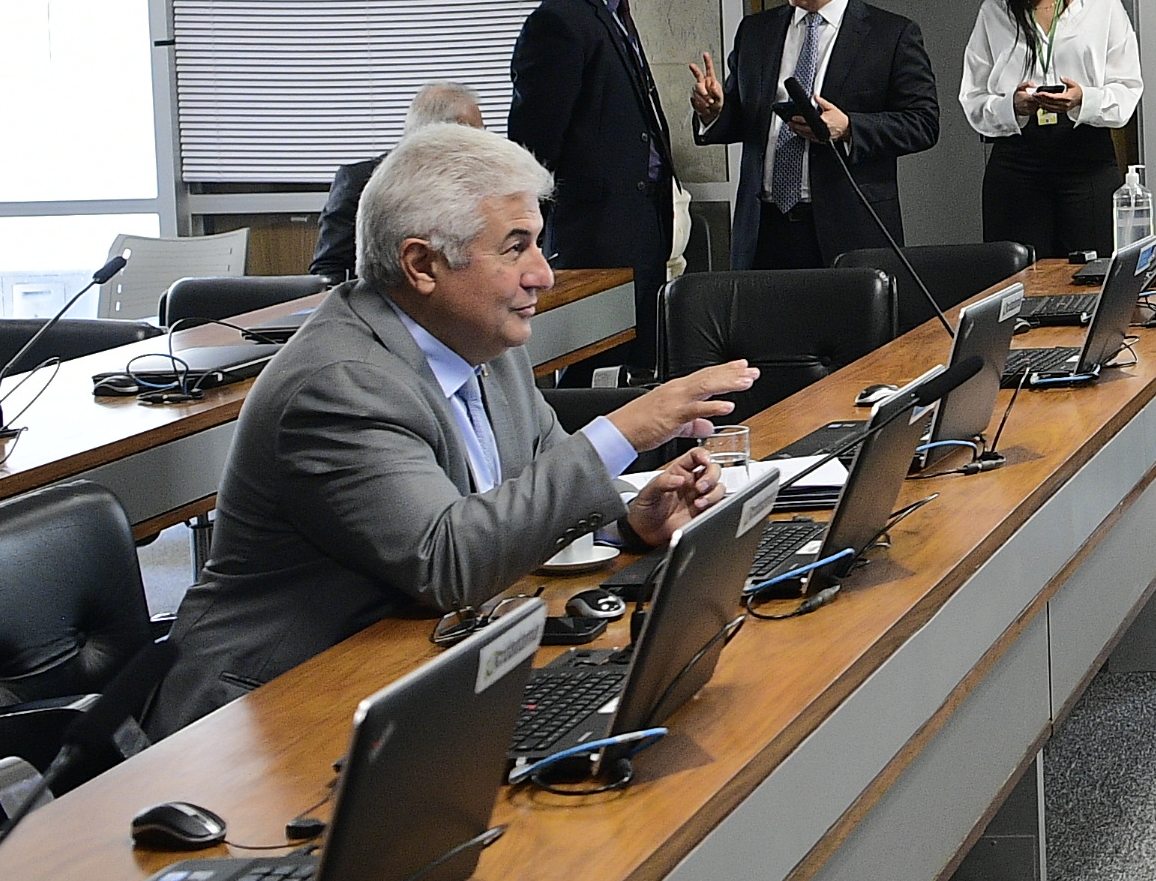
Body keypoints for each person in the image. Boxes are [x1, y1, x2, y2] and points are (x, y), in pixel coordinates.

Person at [149, 125, 754, 734]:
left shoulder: (484, 342)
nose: (543, 275)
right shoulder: (340, 384)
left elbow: (537, 478)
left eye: (538, 245)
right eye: (515, 248)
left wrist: (628, 517)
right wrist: (623, 431)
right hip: (264, 713)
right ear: (421, 264)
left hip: (406, 671)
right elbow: (448, 561)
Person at [688, 0, 941, 271]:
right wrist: (714, 112)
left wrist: (850, 127)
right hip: (764, 231)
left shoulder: (891, 35)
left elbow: (923, 123)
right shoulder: (756, 32)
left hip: (847, 232)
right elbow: (743, 120)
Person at [509, 0, 683, 359]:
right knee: (602, 385)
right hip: (595, 247)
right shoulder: (560, 23)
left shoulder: (611, 8)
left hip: (638, 235)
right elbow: (533, 151)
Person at [960, 0, 1144, 256]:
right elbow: (973, 98)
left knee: (1092, 277)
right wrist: (1011, 105)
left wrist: (1083, 100)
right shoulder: (994, 12)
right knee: (1017, 282)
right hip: (1016, 164)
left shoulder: (1102, 3)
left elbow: (1127, 89)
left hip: (1086, 158)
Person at [313, 81, 483, 287]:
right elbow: (330, 272)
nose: (482, 142)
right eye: (477, 134)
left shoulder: (480, 182)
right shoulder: (359, 181)